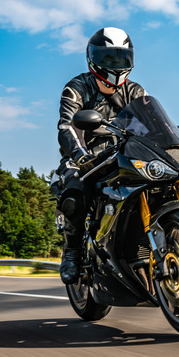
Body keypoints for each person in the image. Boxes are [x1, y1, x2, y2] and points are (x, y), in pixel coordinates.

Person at [55, 27, 147, 284]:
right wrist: (80, 156)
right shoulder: (76, 88)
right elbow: (66, 126)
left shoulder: (136, 92)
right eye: (108, 58)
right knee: (75, 193)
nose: (115, 65)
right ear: (93, 58)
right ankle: (72, 251)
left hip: (124, 154)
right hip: (85, 157)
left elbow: (151, 124)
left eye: (121, 58)